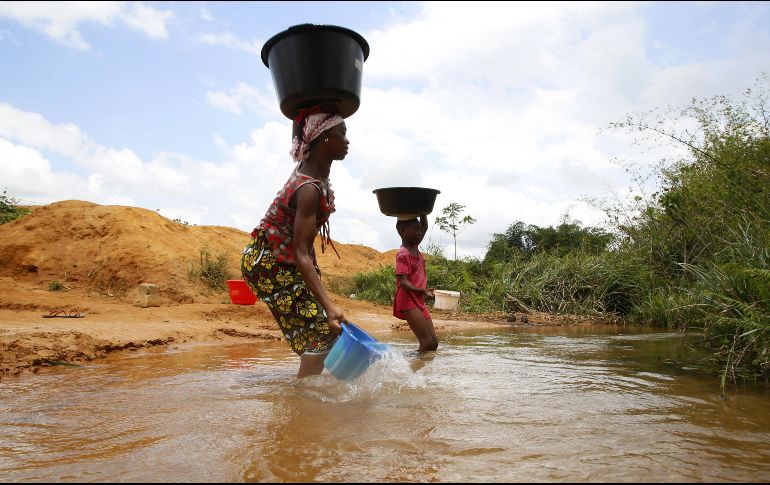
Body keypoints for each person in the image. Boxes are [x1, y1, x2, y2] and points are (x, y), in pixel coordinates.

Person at [241, 104, 349, 378]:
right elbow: (301, 253)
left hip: (281, 259)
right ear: (324, 137)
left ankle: (306, 398)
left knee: (320, 332)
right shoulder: (309, 189)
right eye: (342, 133)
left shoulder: (314, 171)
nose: (347, 141)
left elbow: (302, 136)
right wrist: (329, 306)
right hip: (270, 263)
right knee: (322, 335)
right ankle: (302, 408)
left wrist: (305, 109)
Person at [393, 215, 438, 352]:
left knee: (434, 343)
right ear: (403, 232)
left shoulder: (414, 246)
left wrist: (422, 211)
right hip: (407, 298)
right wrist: (422, 291)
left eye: (420, 230)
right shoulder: (403, 254)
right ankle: (411, 369)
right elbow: (404, 282)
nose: (420, 233)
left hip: (418, 297)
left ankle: (424, 370)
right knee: (426, 342)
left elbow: (424, 226)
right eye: (416, 230)